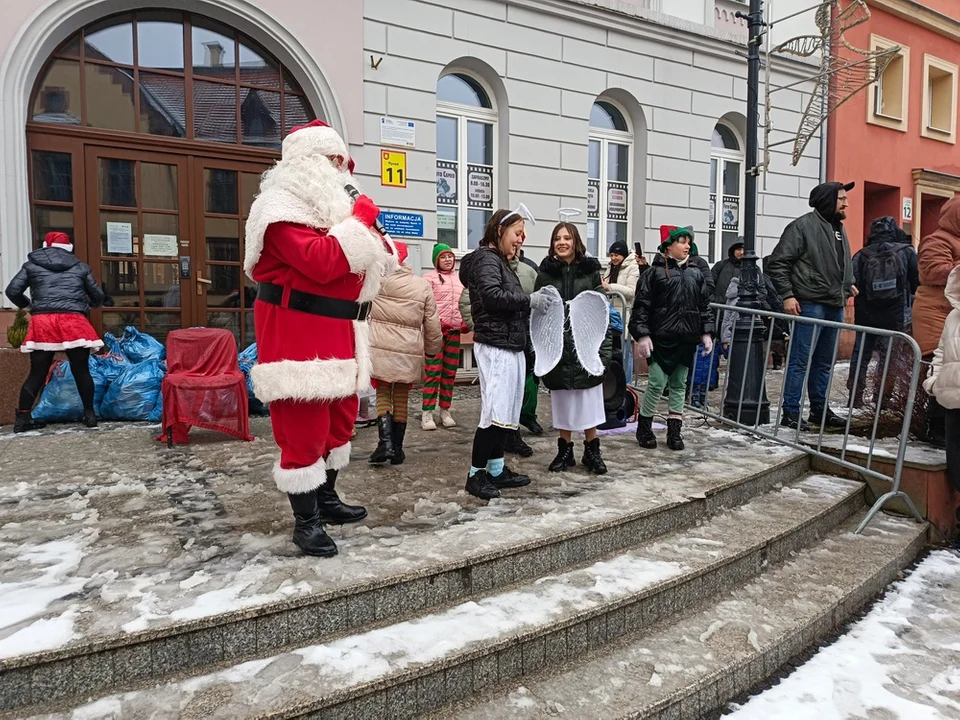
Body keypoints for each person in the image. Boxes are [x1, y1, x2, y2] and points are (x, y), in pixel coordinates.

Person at [245, 119, 397, 558]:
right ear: (305, 163)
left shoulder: (334, 212)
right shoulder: (278, 207)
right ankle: (305, 522)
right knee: (303, 428)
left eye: (342, 161)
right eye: (332, 161)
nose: (342, 169)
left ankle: (326, 500)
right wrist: (360, 225)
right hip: (299, 336)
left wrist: (377, 241)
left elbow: (378, 261)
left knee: (338, 423)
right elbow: (323, 261)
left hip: (343, 334)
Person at [458, 208, 544, 500]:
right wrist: (529, 300)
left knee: (505, 413)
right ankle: (475, 474)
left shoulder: (500, 262)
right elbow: (493, 296)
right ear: (500, 231)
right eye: (517, 233)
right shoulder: (486, 259)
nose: (522, 239)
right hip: (496, 345)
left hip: (508, 344)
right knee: (494, 413)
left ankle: (495, 469)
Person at [766, 181, 857, 431]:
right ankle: (791, 412)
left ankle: (819, 409)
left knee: (825, 362)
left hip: (835, 304)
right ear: (828, 200)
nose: (846, 203)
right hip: (810, 304)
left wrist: (848, 283)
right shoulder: (802, 226)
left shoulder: (838, 228)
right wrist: (787, 295)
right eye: (841, 198)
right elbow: (777, 263)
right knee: (800, 360)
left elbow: (836, 264)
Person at [5, 231, 108, 432]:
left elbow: (12, 291)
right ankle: (90, 416)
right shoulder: (81, 267)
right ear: (69, 247)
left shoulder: (31, 265)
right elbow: (98, 295)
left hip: (43, 321)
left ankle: (22, 419)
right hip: (74, 321)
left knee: (37, 372)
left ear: (46, 245)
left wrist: (29, 305)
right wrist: (90, 306)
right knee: (82, 370)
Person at [536, 223, 613, 474]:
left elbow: (602, 312)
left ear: (575, 241)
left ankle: (592, 451)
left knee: (588, 404)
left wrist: (604, 353)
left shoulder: (589, 272)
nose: (562, 242)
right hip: (559, 348)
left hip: (585, 347)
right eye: (557, 238)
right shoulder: (546, 273)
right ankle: (565, 451)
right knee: (564, 404)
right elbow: (538, 316)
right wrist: (541, 351)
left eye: (567, 237)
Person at [630, 225, 714, 451]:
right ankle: (644, 427)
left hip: (686, 338)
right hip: (661, 338)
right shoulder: (653, 274)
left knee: (679, 385)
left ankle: (674, 430)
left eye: (689, 242)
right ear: (668, 246)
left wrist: (706, 332)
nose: (687, 246)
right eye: (682, 242)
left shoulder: (695, 273)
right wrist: (642, 334)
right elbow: (641, 307)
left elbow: (704, 306)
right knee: (657, 382)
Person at [369, 241, 442, 465]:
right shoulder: (421, 286)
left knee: (383, 393)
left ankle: (386, 444)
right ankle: (397, 450)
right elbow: (432, 324)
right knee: (401, 395)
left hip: (379, 347)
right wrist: (432, 351)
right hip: (409, 351)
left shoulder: (375, 282)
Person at [847, 216, 918, 407]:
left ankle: (855, 397)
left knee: (861, 355)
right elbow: (917, 281)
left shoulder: (860, 255)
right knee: (890, 357)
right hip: (896, 314)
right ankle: (882, 398)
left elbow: (851, 282)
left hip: (865, 315)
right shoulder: (906, 252)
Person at [912, 197, 960, 447]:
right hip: (936, 316)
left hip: (952, 316)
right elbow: (933, 271)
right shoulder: (937, 240)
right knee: (940, 373)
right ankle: (935, 428)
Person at [922, 265, 960, 492]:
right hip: (952, 399)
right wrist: (934, 381)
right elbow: (941, 351)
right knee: (955, 462)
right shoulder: (953, 316)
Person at [421, 242, 465, 431]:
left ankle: (445, 411)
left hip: (455, 332)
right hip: (435, 333)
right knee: (433, 372)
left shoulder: (460, 278)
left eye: (450, 256)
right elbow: (425, 305)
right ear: (436, 260)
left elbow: (465, 302)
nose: (448, 260)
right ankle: (427, 413)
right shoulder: (428, 279)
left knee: (449, 372)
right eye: (443, 256)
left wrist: (465, 322)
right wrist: (436, 322)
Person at [603, 240, 641, 385]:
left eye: (616, 255)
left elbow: (631, 291)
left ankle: (627, 385)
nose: (613, 258)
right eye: (611, 255)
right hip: (611, 316)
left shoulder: (632, 267)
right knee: (614, 353)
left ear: (624, 255)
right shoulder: (611, 267)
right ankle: (614, 385)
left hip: (624, 315)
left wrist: (609, 287)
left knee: (626, 353)